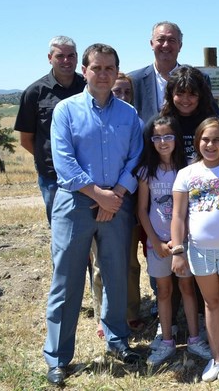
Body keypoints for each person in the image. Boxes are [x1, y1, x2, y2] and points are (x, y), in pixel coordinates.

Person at [43, 44, 143, 386]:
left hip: (117, 204)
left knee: (116, 276)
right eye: (96, 68)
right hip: (74, 204)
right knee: (66, 281)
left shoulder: (129, 115)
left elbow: (136, 158)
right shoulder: (66, 111)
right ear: (84, 71)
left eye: (109, 68)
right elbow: (63, 161)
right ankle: (58, 357)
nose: (103, 74)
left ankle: (117, 342)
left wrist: (115, 195)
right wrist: (98, 194)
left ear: (117, 72)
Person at [170, 117, 219, 382]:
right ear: (197, 141)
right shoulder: (186, 174)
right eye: (205, 139)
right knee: (211, 303)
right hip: (199, 251)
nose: (210, 145)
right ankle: (216, 357)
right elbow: (178, 216)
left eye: (216, 139)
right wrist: (178, 250)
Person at [135, 115, 212, 367]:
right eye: (156, 137)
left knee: (188, 288)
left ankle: (194, 338)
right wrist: (155, 242)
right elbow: (142, 211)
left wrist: (181, 240)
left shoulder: (189, 168)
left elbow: (193, 208)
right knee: (164, 291)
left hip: (184, 242)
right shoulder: (147, 171)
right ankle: (167, 340)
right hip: (158, 244)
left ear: (177, 138)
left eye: (168, 136)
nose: (163, 142)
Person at [89, 72, 144, 339]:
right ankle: (104, 315)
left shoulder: (134, 119)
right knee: (101, 262)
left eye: (127, 92)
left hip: (127, 200)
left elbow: (137, 160)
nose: (122, 96)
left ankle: (132, 312)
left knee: (129, 262)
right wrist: (103, 197)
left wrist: (118, 195)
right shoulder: (97, 118)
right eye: (118, 91)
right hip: (96, 198)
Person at [14, 36, 85, 225]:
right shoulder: (34, 93)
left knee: (91, 232)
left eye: (71, 56)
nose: (66, 61)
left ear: (77, 57)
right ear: (49, 57)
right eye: (60, 56)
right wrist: (55, 159)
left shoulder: (88, 87)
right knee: (61, 230)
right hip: (53, 177)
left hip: (89, 175)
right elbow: (26, 139)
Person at [130, 21, 184, 122]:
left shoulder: (198, 80)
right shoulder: (134, 80)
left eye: (172, 40)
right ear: (151, 44)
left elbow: (210, 118)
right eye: (160, 39)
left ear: (180, 46)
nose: (165, 45)